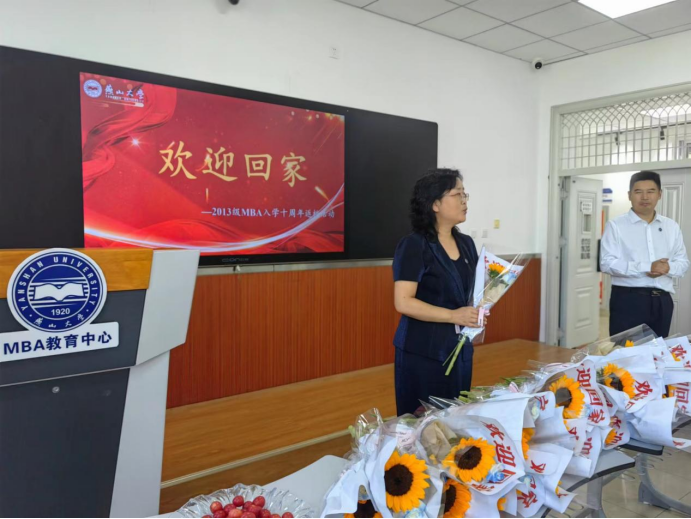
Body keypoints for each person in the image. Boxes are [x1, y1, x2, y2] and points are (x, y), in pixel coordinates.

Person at [392, 169, 481, 416]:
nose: (464, 201)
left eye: (465, 194)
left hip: (460, 348)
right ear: (434, 204)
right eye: (457, 194)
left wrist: (478, 311)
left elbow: (471, 293)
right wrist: (454, 316)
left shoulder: (466, 244)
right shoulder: (414, 245)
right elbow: (403, 301)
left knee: (455, 417)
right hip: (423, 351)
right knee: (423, 423)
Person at [600, 171, 689, 338]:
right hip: (628, 300)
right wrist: (647, 267)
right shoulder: (616, 225)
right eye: (638, 191)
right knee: (626, 350)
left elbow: (683, 262)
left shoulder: (671, 226)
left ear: (659, 194)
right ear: (629, 195)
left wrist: (667, 268)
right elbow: (606, 263)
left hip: (662, 300)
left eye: (651, 191)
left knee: (658, 350)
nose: (645, 197)